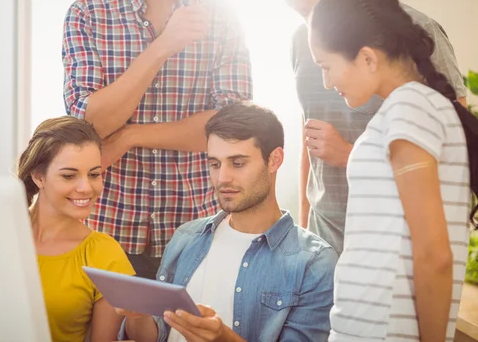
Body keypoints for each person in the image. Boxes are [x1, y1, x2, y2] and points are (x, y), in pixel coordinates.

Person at [308, 0, 478, 341]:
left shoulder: (411, 108)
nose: (326, 81)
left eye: (327, 65)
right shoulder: (402, 111)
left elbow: (433, 253)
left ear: (367, 57)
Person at [254, 0, 468, 254]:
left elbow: (455, 143)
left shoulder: (415, 30)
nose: (297, 0)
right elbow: (310, 134)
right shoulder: (303, 41)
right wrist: (303, 225)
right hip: (323, 233)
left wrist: (349, 154)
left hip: (395, 232)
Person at [62, 0, 253, 279]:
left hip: (197, 229)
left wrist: (132, 136)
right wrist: (164, 45)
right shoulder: (88, 12)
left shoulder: (221, 15)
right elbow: (87, 123)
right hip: (107, 225)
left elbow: (232, 127)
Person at [117, 103, 337, 342]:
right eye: (215, 164)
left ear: (274, 160)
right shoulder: (186, 238)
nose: (223, 178)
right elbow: (157, 335)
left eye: (238, 163)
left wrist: (223, 338)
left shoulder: (313, 263)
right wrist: (136, 316)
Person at [17, 116, 136, 342]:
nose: (86, 188)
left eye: (93, 174)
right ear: (38, 177)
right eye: (69, 176)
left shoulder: (104, 255)